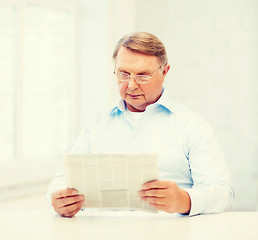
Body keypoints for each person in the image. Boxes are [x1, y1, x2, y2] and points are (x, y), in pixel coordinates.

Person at [48, 32, 234, 218]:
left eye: (143, 75)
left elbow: (222, 193)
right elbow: (62, 181)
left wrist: (184, 200)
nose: (131, 85)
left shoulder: (192, 126)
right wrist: (59, 199)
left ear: (164, 72)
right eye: (124, 74)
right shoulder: (95, 125)